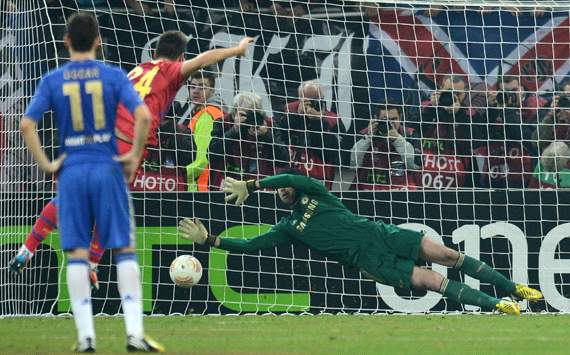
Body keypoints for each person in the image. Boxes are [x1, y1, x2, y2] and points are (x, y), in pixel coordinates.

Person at [10, 30, 253, 282]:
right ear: (180, 56)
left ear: (155, 51)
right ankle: (91, 265)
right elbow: (205, 59)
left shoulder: (138, 70)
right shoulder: (169, 70)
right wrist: (237, 50)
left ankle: (27, 250)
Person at [178, 171, 543, 315]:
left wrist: (254, 185)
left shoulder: (316, 193)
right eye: (279, 191)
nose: (285, 188)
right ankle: (500, 305)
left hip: (379, 232)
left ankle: (517, 289)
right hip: (369, 260)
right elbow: (252, 246)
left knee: (449, 254)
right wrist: (210, 239)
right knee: (432, 282)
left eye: (284, 186)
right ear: (280, 200)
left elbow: (290, 175)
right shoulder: (288, 228)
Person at [19, 13, 161, 352]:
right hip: (106, 167)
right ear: (99, 41)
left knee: (76, 253)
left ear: (66, 41)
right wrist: (133, 155)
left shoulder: (54, 79)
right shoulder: (112, 76)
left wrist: (47, 163)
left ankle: (85, 338)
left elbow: (27, 124)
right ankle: (134, 334)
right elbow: (143, 115)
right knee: (124, 249)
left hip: (72, 171)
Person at [208, 92, 290, 189]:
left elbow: (283, 159)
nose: (248, 119)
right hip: (228, 182)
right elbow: (211, 155)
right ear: (234, 113)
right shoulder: (224, 123)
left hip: (260, 184)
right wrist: (234, 130)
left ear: (259, 113)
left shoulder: (268, 124)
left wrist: (266, 136)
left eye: (251, 114)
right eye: (244, 114)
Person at [350, 103, 418, 190]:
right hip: (368, 189)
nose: (390, 124)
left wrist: (398, 140)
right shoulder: (364, 134)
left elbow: (415, 166)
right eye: (385, 120)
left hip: (401, 190)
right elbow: (353, 165)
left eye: (394, 119)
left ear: (400, 118)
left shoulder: (410, 134)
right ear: (376, 119)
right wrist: (368, 138)